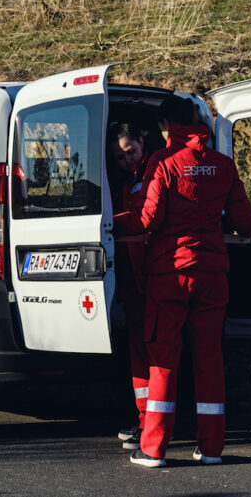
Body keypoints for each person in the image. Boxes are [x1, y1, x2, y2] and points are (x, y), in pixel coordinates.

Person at [116, 96, 251, 468]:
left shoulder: (163, 163)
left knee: (163, 360)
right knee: (209, 360)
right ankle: (211, 449)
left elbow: (146, 221)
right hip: (212, 276)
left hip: (170, 277)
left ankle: (154, 448)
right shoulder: (223, 165)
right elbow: (248, 225)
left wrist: (106, 224)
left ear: (165, 126)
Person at [106, 121, 152, 451]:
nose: (127, 161)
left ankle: (154, 424)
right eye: (119, 158)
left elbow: (144, 218)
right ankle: (144, 419)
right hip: (133, 283)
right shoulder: (126, 181)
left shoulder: (157, 171)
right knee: (139, 355)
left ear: (140, 140)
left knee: (156, 355)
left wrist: (107, 221)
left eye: (130, 152)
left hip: (155, 280)